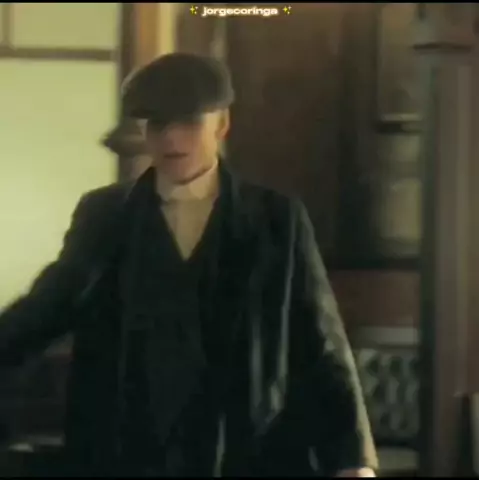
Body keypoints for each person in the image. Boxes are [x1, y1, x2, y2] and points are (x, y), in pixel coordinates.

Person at [0, 53, 378, 477]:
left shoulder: (275, 219)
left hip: (245, 445)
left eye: (189, 123)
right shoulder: (105, 215)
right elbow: (45, 308)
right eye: (158, 125)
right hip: (128, 447)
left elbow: (320, 340)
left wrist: (353, 460)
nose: (172, 138)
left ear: (222, 124)